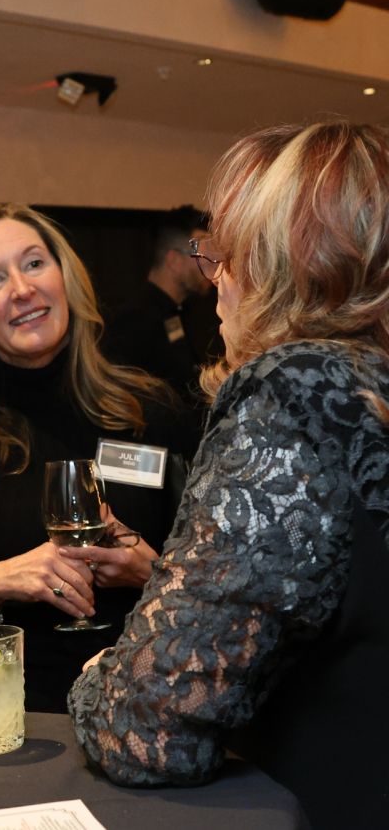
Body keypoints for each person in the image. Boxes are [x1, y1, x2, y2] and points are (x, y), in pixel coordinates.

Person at [68, 121, 389, 829]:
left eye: (230, 251)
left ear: (282, 259)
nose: (215, 276)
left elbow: (148, 730)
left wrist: (102, 682)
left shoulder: (292, 392)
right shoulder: (370, 382)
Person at [0, 203, 196, 713]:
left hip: (151, 713)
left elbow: (226, 595)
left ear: (64, 277)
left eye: (34, 263)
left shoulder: (151, 414)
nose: (22, 289)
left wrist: (152, 571)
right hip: (22, 727)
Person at [102, 205, 218, 400]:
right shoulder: (132, 322)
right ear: (175, 261)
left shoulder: (178, 312)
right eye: (201, 255)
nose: (211, 265)